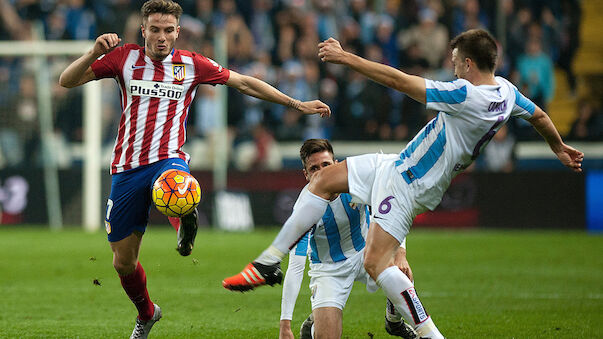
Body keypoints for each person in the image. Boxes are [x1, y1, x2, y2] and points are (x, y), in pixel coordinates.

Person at [223, 29, 584, 339]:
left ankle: (428, 332)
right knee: (323, 180)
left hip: (409, 181)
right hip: (395, 167)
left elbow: (398, 81)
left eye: (457, 61)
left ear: (470, 64)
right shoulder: (505, 93)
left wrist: (346, 58)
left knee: (376, 264)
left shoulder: (464, 94)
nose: (454, 67)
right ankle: (270, 261)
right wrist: (559, 148)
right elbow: (537, 114)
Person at [58, 1, 330, 338]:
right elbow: (66, 81)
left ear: (177, 32)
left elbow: (244, 82)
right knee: (122, 263)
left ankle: (184, 226)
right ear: (143, 30)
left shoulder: (191, 64)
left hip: (168, 158)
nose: (161, 37)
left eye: (168, 30)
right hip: (127, 168)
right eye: (154, 30)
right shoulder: (123, 58)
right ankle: (147, 313)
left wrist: (296, 103)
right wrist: (92, 52)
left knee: (176, 185)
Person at [278, 139, 416, 339]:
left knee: (402, 270)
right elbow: (296, 266)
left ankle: (393, 322)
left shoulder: (356, 182)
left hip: (367, 252)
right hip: (329, 270)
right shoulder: (304, 210)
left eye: (326, 165)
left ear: (336, 164)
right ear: (306, 175)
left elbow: (393, 211)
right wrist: (285, 324)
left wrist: (400, 253)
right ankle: (317, 324)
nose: (321, 172)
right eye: (314, 168)